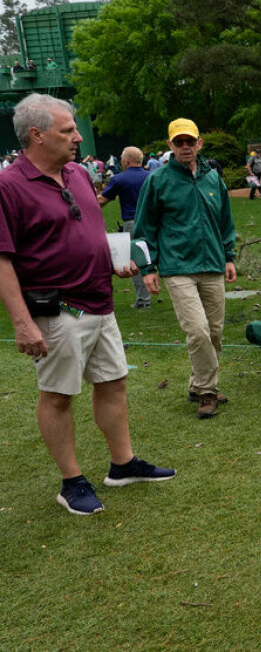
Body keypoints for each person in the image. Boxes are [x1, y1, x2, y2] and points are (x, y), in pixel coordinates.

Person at [0, 94, 175, 516]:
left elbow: (84, 229)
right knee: (59, 395)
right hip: (58, 311)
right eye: (68, 131)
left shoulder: (77, 172)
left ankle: (123, 464)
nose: (78, 137)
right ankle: (72, 481)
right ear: (37, 135)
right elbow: (2, 259)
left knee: (113, 382)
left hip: (101, 301)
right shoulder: (9, 186)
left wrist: (114, 262)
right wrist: (22, 323)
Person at [133, 118, 238, 419]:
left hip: (213, 264)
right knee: (197, 330)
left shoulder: (212, 179)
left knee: (215, 332)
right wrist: (147, 267)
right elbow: (143, 228)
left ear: (199, 143)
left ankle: (196, 384)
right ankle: (208, 392)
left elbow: (225, 221)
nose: (185, 147)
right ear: (170, 146)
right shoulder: (158, 180)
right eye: (178, 142)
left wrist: (229, 256)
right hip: (177, 266)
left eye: (189, 141)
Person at [98, 146, 153, 308]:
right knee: (153, 259)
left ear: (125, 161)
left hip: (132, 223)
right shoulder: (151, 176)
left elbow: (102, 200)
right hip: (152, 222)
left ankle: (143, 301)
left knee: (135, 262)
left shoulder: (119, 179)